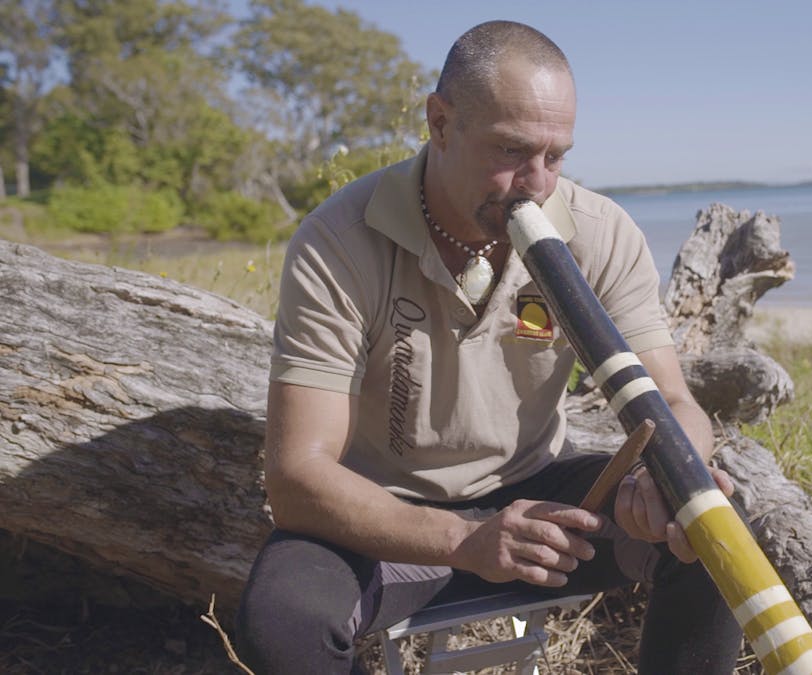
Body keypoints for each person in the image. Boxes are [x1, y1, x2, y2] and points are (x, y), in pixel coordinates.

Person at [236, 20, 742, 674]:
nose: (536, 183)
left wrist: (672, 474)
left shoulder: (599, 233)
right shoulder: (340, 240)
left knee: (715, 530)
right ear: (440, 123)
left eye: (556, 157)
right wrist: (466, 538)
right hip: (381, 516)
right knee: (282, 622)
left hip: (540, 501)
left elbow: (671, 397)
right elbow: (296, 479)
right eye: (511, 151)